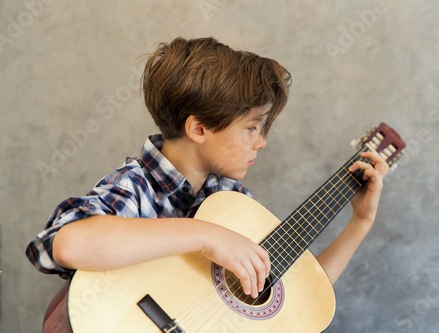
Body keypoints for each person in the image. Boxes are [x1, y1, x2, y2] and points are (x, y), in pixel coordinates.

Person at [26, 37, 388, 300]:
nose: (261, 142)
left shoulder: (232, 199)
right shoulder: (135, 186)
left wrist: (360, 223)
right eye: (251, 127)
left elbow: (294, 301)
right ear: (198, 129)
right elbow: (65, 244)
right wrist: (205, 235)